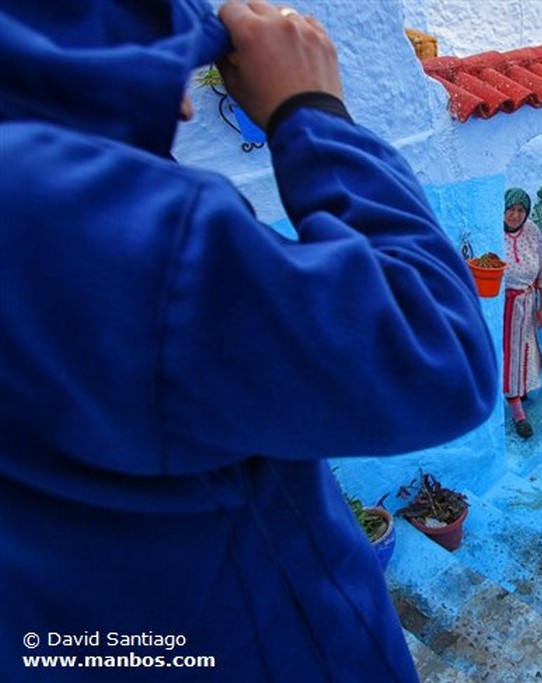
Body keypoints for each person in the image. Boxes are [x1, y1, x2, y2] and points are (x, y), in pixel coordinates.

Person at [0, 1, 496, 680]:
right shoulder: (97, 221)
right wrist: (313, 113)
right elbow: (440, 351)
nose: (178, 106)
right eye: (166, 64)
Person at [502, 188, 542, 439]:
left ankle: (519, 388)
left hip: (527, 303)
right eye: (510, 209)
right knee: (510, 354)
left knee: (525, 350)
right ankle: (517, 411)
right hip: (504, 307)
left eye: (520, 210)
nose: (514, 215)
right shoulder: (492, 231)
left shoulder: (532, 230)